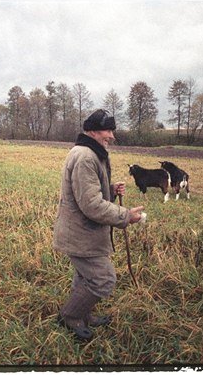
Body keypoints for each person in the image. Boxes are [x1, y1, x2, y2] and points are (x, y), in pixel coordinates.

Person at [53, 109, 144, 341]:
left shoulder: (89, 152)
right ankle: (70, 316)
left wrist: (110, 190)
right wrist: (125, 216)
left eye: (112, 130)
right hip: (81, 234)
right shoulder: (86, 157)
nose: (111, 136)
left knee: (84, 277)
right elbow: (91, 205)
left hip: (83, 232)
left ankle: (84, 313)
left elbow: (87, 193)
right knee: (102, 279)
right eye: (107, 130)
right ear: (93, 131)